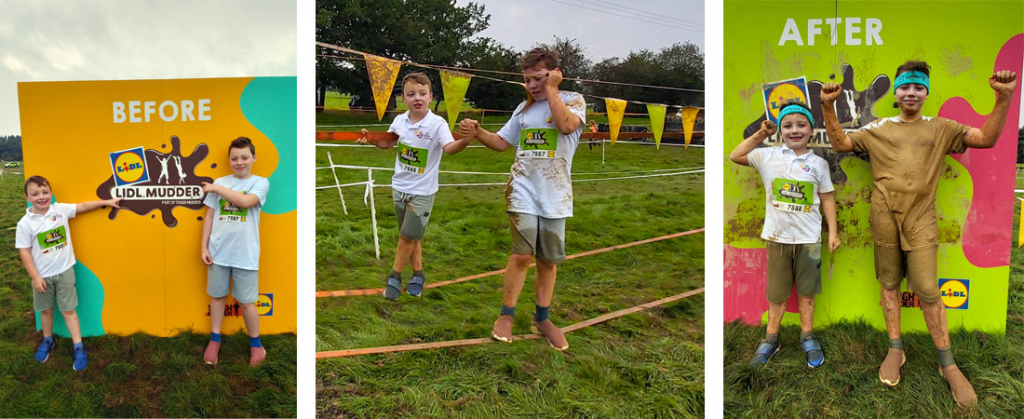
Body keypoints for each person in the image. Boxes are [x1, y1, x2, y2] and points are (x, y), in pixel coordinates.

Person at [821, 61, 1017, 407]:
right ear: (896, 93)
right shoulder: (877, 128)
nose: (911, 93)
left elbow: (985, 139)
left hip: (922, 218)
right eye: (905, 87)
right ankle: (895, 348)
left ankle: (948, 364)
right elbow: (840, 144)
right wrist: (827, 106)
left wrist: (1003, 99)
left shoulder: (941, 128)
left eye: (919, 87)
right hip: (883, 217)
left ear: (925, 93)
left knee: (928, 290)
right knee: (889, 283)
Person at [458, 47, 587, 351]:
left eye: (538, 78)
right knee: (521, 255)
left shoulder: (573, 101)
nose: (531, 86)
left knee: (548, 260)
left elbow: (566, 125)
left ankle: (542, 318)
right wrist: (478, 132)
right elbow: (502, 143)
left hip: (556, 194)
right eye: (527, 80)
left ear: (555, 75)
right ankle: (506, 315)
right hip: (522, 190)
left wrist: (552, 89)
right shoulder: (523, 109)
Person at [729, 102, 839, 368]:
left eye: (801, 125)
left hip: (809, 240)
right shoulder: (767, 156)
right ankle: (771, 339)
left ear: (811, 130)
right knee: (776, 294)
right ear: (780, 131)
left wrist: (833, 233)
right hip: (777, 239)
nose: (794, 130)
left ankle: (808, 337)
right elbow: (736, 155)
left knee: (807, 293)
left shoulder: (819, 164)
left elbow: (827, 198)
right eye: (787, 126)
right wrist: (761, 134)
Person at [357, 72, 472, 300]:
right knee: (410, 236)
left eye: (422, 93)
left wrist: (467, 140)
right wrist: (370, 138)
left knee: (407, 237)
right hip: (399, 188)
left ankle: (394, 277)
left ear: (431, 96)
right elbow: (387, 143)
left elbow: (449, 148)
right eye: (411, 94)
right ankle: (418, 275)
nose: (416, 98)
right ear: (403, 99)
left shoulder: (437, 124)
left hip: (423, 192)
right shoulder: (399, 121)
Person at [16, 175, 121, 370]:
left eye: (45, 192)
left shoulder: (60, 210)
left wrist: (106, 202)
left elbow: (82, 206)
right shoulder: (25, 223)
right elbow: (24, 252)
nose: (41, 197)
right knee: (46, 311)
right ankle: (48, 340)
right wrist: (35, 278)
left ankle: (78, 346)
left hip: (65, 273)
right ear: (27, 197)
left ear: (51, 193)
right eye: (35, 194)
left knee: (68, 311)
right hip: (42, 277)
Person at [200, 137, 271, 367]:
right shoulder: (220, 181)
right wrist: (204, 247)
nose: (239, 162)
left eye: (244, 157)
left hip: (245, 254)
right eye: (234, 158)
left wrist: (216, 187)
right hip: (218, 253)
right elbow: (209, 216)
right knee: (218, 296)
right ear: (229, 160)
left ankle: (256, 346)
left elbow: (245, 202)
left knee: (248, 302)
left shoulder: (260, 182)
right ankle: (215, 340)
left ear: (254, 158)